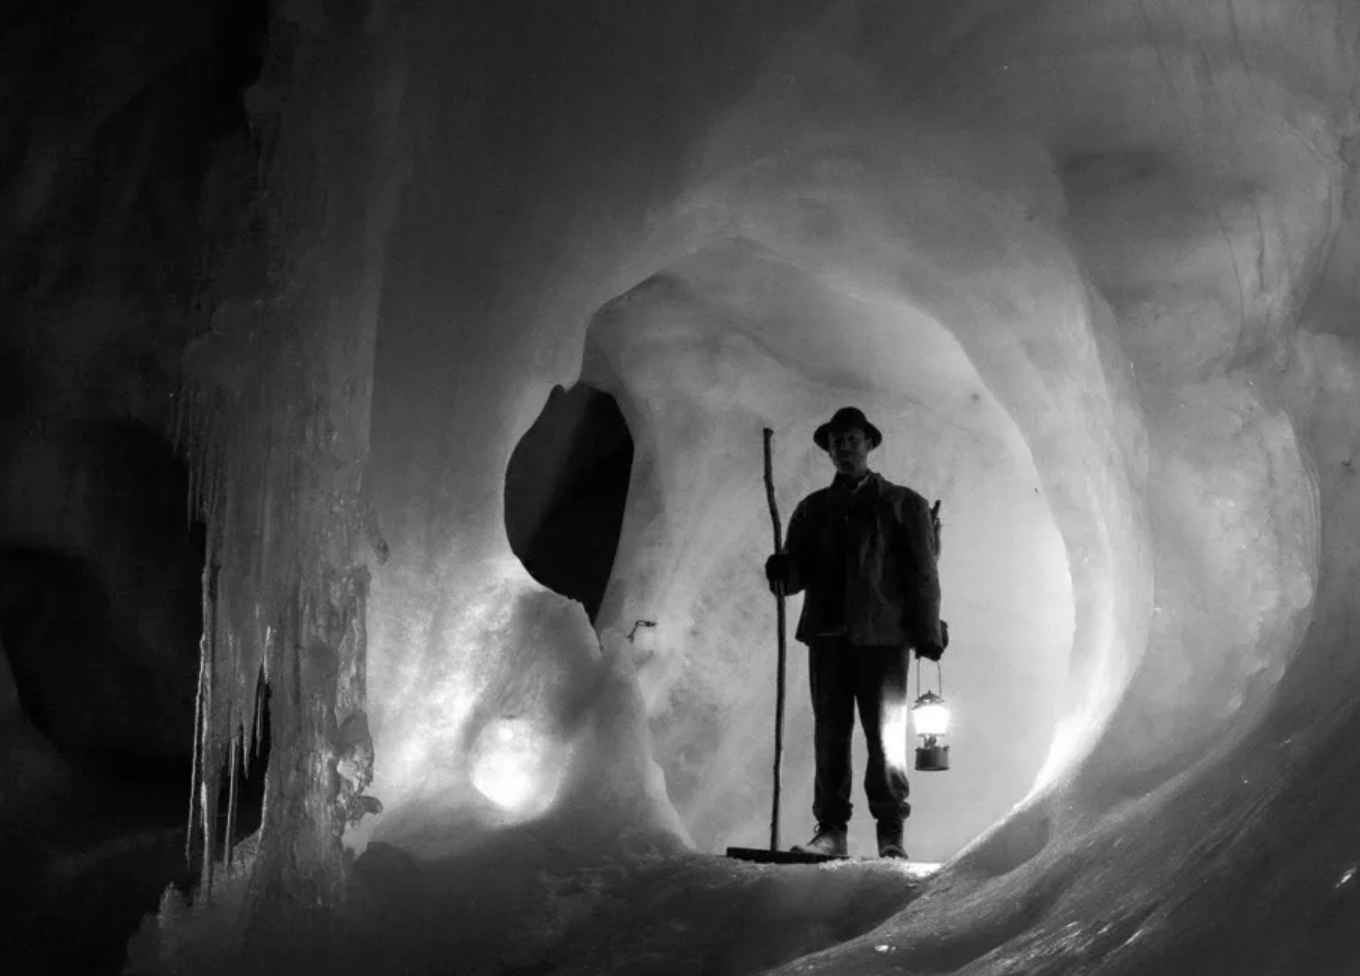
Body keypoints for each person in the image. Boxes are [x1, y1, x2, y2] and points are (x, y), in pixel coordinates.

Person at [764, 406, 945, 859]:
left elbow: (923, 574)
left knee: (885, 736)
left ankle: (890, 833)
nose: (844, 448)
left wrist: (926, 631)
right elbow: (794, 581)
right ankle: (831, 830)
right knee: (831, 733)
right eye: (836, 442)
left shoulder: (905, 504)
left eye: (851, 439)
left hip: (884, 638)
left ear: (868, 443)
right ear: (828, 450)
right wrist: (781, 570)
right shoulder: (812, 510)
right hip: (828, 638)